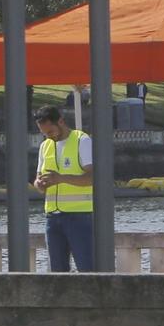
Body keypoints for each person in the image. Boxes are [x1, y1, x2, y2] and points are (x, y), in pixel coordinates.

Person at [33, 104, 95, 271]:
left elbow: (93, 177)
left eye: (50, 132)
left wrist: (61, 179)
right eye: (44, 133)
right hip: (52, 217)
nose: (48, 137)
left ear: (61, 121)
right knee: (57, 272)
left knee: (87, 268)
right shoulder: (45, 146)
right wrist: (39, 184)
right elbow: (37, 181)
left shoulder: (82, 140)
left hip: (80, 216)